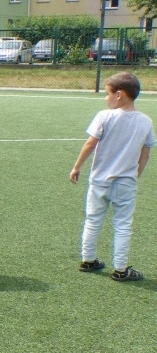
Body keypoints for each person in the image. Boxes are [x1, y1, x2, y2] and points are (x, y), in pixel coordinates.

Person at [70, 72, 155, 281]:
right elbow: (146, 151)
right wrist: (137, 173)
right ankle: (121, 269)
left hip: (99, 180)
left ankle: (88, 260)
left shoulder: (104, 116)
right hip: (126, 181)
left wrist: (77, 167)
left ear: (119, 94)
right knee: (123, 224)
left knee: (93, 219)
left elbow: (91, 143)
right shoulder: (145, 121)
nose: (105, 98)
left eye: (107, 93)